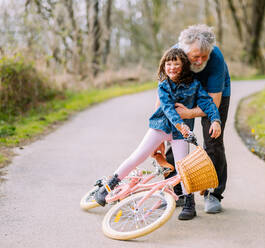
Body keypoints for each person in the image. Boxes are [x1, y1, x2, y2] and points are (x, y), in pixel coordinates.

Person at [94, 48, 222, 221]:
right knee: (137, 157)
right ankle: (107, 187)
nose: (172, 68)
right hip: (160, 128)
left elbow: (208, 104)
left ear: (184, 66)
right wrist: (180, 124)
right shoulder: (163, 85)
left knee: (183, 168)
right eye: (168, 64)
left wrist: (215, 121)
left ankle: (189, 204)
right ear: (164, 66)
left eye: (176, 64)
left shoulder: (195, 85)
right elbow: (168, 109)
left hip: (179, 135)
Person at [154, 24, 231, 214]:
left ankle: (213, 193)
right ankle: (176, 191)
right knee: (174, 138)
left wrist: (188, 113)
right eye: (195, 56)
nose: (200, 60)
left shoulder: (216, 59)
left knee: (213, 140)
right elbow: (162, 97)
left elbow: (213, 102)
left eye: (204, 56)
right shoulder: (174, 56)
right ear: (184, 51)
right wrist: (159, 133)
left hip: (214, 94)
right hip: (183, 91)